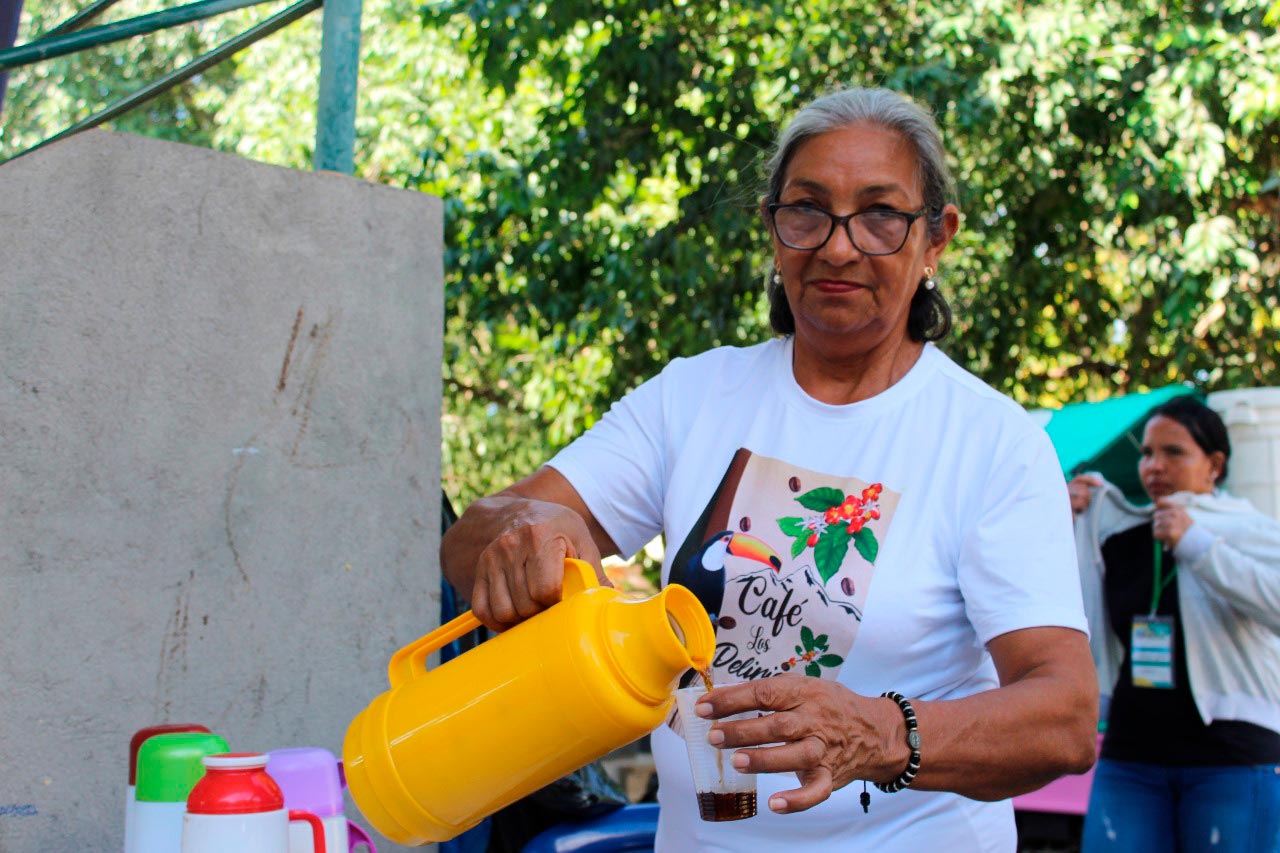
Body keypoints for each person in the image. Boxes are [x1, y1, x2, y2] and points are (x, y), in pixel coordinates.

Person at [442, 85, 1098, 851]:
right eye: (807, 210)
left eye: (881, 215)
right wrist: (530, 527)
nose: (839, 245)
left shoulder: (990, 441)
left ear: (936, 239)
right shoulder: (694, 396)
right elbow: (467, 543)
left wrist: (881, 730)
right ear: (773, 227)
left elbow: (1064, 715)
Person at [1069, 396, 1280, 851]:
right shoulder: (1118, 533)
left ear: (1215, 465)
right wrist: (1062, 519)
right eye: (1147, 453)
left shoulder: (1246, 529)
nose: (1154, 466)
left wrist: (1198, 546)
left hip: (1233, 757)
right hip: (1131, 756)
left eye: (1174, 452)